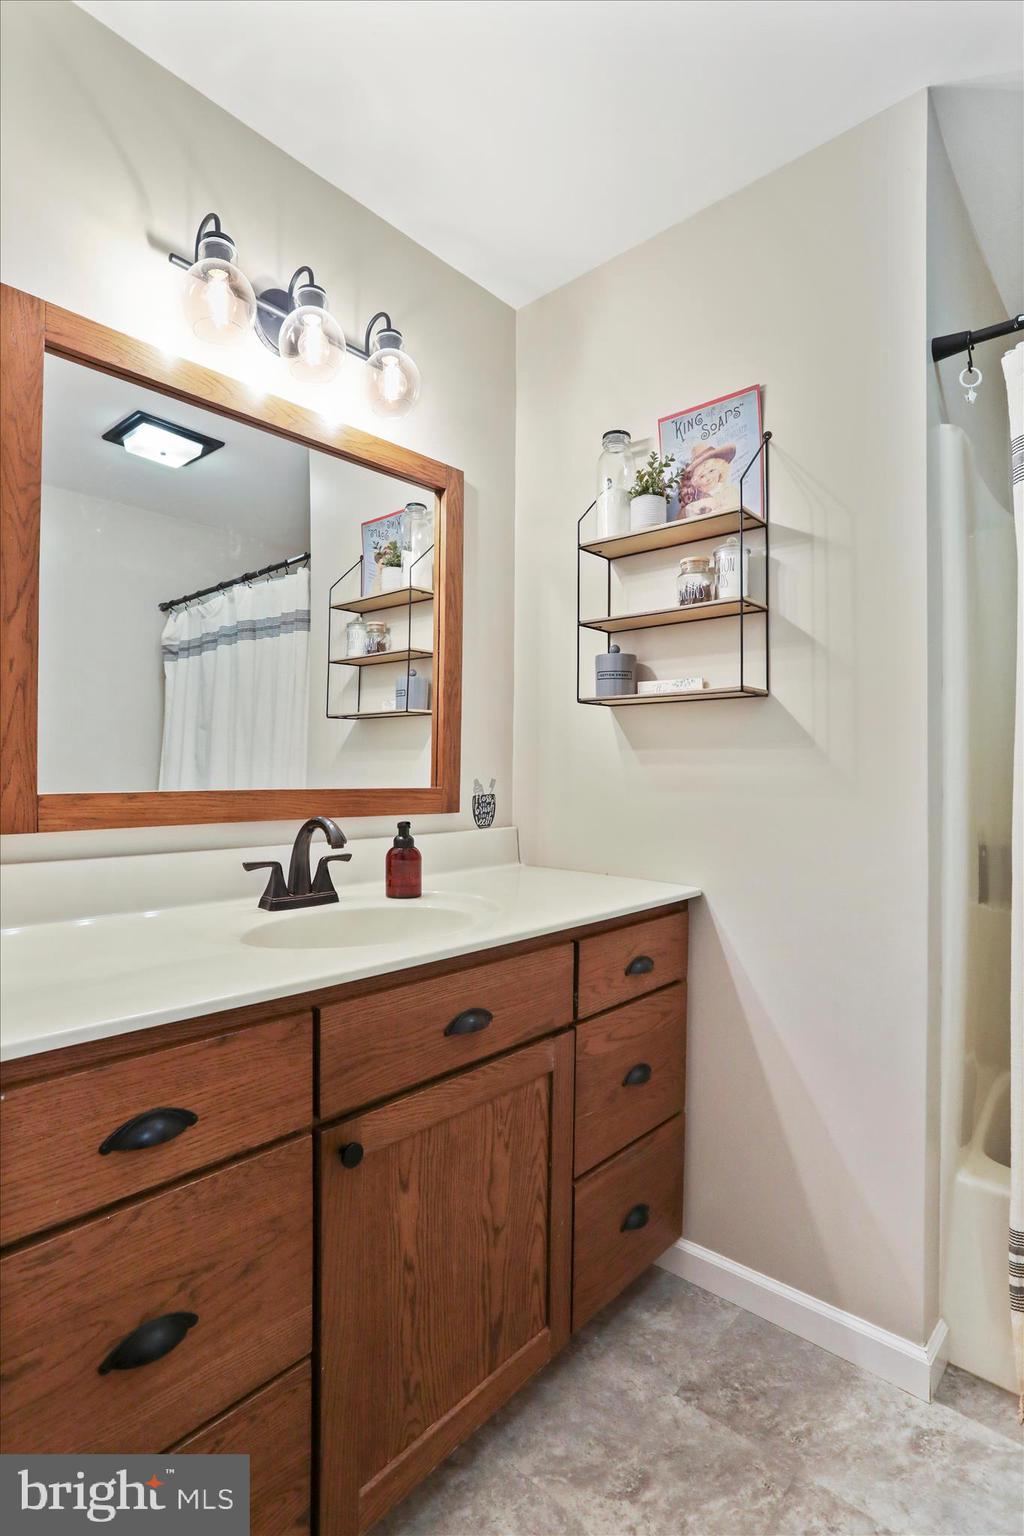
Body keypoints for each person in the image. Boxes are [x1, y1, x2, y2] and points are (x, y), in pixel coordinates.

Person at [677, 442, 737, 516]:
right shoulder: (694, 501)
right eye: (702, 476)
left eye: (711, 471)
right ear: (694, 482)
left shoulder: (729, 491)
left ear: (720, 470)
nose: (708, 478)